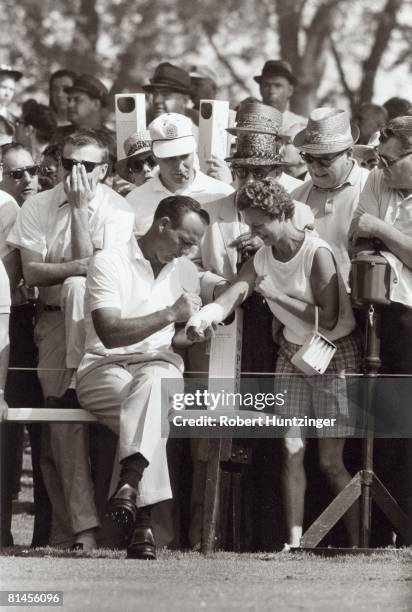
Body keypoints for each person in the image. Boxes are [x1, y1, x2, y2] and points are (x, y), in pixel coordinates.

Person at [187, 177, 361, 549]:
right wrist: (209, 314)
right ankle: (295, 543)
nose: (253, 233)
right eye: (249, 225)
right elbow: (239, 287)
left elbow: (328, 318)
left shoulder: (317, 252)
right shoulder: (263, 254)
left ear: (281, 215)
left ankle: (359, 540)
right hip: (292, 355)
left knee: (331, 463)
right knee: (291, 449)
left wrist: (273, 293)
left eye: (257, 225)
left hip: (332, 354)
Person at [7, 129, 135, 548]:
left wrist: (80, 211)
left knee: (104, 426)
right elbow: (32, 273)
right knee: (61, 429)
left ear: (105, 170)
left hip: (100, 329)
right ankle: (77, 532)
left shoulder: (118, 210)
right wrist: (79, 264)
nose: (74, 174)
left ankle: (116, 532)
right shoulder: (37, 204)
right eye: (67, 164)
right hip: (54, 323)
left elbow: (95, 278)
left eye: (85, 166)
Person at [76, 195, 208, 559]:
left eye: (195, 244)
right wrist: (171, 314)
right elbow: (110, 333)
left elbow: (174, 339)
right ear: (163, 224)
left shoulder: (184, 271)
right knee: (150, 411)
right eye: (185, 240)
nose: (189, 251)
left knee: (152, 387)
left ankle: (132, 486)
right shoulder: (108, 261)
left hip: (158, 366)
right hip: (104, 366)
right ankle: (144, 521)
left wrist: (191, 335)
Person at [349, 116, 412, 540]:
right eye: (379, 160)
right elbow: (358, 238)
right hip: (380, 314)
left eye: (391, 161)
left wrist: (381, 232)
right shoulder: (376, 179)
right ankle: (385, 531)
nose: (382, 168)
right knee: (383, 424)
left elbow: (371, 229)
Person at [291, 107, 369, 289]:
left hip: (360, 302)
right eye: (308, 158)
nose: (316, 167)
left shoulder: (370, 188)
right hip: (308, 305)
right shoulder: (296, 196)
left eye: (325, 160)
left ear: (349, 153)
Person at [126, 112, 233, 237]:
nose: (179, 166)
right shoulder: (134, 201)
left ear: (194, 151)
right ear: (154, 156)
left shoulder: (224, 194)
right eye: (169, 158)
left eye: (184, 155)